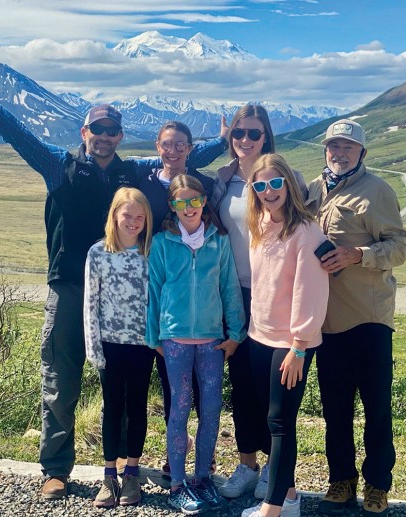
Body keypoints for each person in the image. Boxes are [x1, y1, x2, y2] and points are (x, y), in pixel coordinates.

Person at [0, 52, 228, 500]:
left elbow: (176, 163)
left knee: (127, 382)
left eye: (114, 131)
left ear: (120, 136)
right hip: (71, 285)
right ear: (84, 133)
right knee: (62, 373)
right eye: (98, 130)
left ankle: (126, 470)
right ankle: (55, 467)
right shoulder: (59, 165)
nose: (106, 137)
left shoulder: (132, 170)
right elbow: (15, 132)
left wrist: (224, 144)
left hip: (126, 294)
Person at [306, 119, 406, 516]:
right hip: (326, 319)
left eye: (349, 147)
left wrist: (359, 255)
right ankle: (341, 478)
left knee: (376, 408)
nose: (340, 152)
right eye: (334, 146)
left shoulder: (378, 191)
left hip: (369, 317)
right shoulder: (313, 190)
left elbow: (399, 247)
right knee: (335, 408)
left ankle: (377, 484)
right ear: (326, 151)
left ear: (362, 153)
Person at [211, 105, 308, 500]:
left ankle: (276, 467)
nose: (245, 141)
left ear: (266, 136)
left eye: (253, 133)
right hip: (233, 294)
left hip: (277, 297)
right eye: (238, 134)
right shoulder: (223, 179)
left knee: (276, 389)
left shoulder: (288, 178)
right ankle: (248, 463)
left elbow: (304, 228)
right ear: (229, 138)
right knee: (243, 384)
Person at [146, 175, 246, 515]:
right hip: (173, 340)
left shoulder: (219, 242)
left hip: (213, 341)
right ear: (172, 206)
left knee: (212, 408)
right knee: (180, 409)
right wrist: (153, 336)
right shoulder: (162, 243)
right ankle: (177, 483)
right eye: (180, 202)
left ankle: (202, 478)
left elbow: (230, 288)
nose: (188, 208)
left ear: (204, 201)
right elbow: (154, 292)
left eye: (194, 201)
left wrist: (235, 334)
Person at [241, 154, 329, 517]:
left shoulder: (306, 232)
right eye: (260, 185)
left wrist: (299, 347)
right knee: (267, 417)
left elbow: (309, 292)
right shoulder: (258, 224)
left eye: (275, 183)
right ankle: (289, 494)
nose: (268, 191)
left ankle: (272, 509)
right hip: (258, 336)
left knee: (280, 423)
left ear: (289, 185)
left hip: (289, 344)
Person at [139, 120, 218, 481]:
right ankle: (176, 460)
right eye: (167, 145)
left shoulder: (205, 185)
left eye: (180, 145)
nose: (173, 151)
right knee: (176, 392)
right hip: (169, 309)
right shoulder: (144, 180)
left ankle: (204, 461)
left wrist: (223, 138)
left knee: (206, 394)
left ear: (190, 148)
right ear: (157, 145)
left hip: (205, 314)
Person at [83, 188, 154, 508]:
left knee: (137, 407)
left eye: (140, 217)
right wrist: (93, 349)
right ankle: (109, 476)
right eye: (127, 215)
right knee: (112, 409)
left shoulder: (150, 252)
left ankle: (132, 475)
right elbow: (90, 304)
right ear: (114, 215)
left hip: (142, 345)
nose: (134, 222)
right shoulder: (98, 253)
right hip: (109, 345)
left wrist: (157, 339)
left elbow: (157, 299)